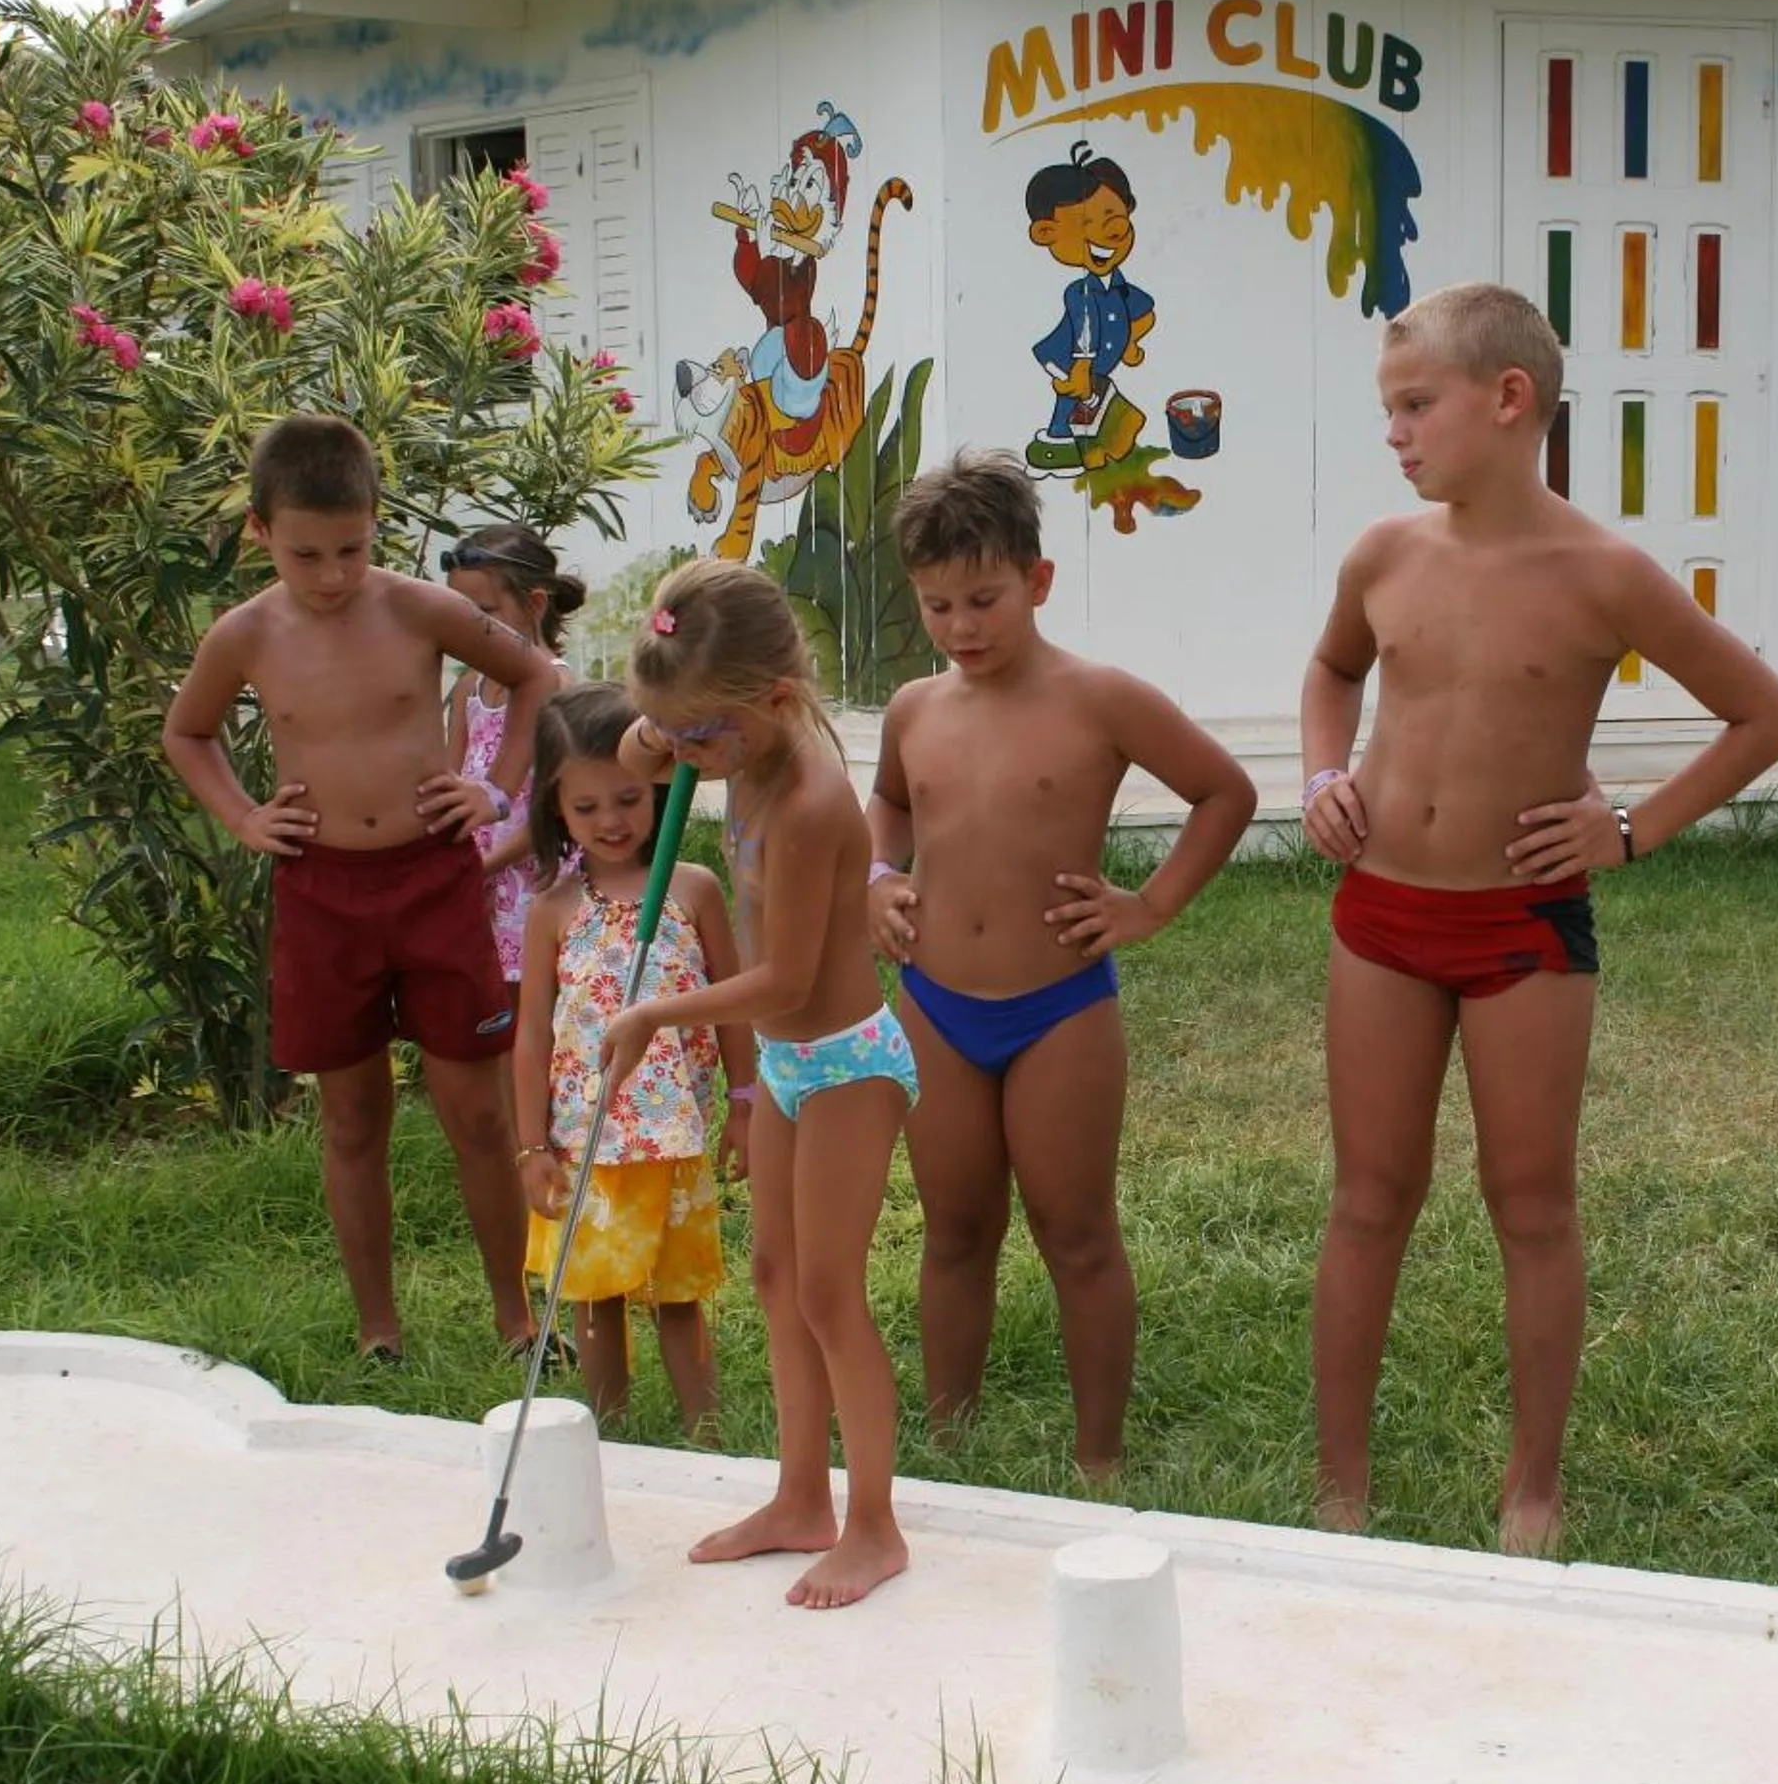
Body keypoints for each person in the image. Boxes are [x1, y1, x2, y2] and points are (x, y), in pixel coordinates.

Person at [1300, 282, 1778, 1554]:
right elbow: (1333, 669)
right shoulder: (1384, 555)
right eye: (1389, 410)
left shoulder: (1606, 576)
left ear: (1509, 399)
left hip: (1524, 930)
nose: (1396, 434)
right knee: (1369, 1197)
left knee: (1531, 1202)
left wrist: (1631, 827)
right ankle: (1340, 1481)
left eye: (1417, 405)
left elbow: (1765, 717)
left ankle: (1534, 1484)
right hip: (1381, 920)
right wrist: (1320, 773)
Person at [867, 450, 1256, 1476]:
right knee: (954, 1228)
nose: (962, 628)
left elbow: (1225, 793)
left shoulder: (1101, 700)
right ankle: (949, 1438)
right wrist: (876, 876)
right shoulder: (915, 710)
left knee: (1075, 1229)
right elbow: (894, 805)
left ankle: (1100, 1456)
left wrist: (1151, 904)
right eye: (938, 605)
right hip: (934, 1002)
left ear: (1038, 582)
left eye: (984, 599)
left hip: (1060, 1008)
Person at [163, 413, 565, 1364]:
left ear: (378, 523)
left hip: (433, 881)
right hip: (323, 891)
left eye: (353, 547)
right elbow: (188, 734)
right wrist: (243, 817)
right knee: (352, 1117)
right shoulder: (246, 633)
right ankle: (378, 1329)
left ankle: (518, 1320)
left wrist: (497, 786)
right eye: (307, 554)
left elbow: (536, 677)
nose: (334, 574)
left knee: (476, 1110)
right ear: (259, 531)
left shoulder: (420, 608)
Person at [603, 560, 917, 1608]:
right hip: (786, 1064)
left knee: (831, 1292)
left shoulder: (813, 801)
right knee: (778, 1282)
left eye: (703, 740)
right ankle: (799, 1498)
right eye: (678, 738)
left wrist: (654, 1012)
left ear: (776, 701)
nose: (683, 761)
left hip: (845, 1064)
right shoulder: (732, 741)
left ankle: (873, 1524)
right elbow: (631, 747)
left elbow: (782, 976)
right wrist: (660, 729)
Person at [514, 682, 739, 1442]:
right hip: (585, 1142)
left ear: (661, 789)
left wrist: (745, 1101)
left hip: (673, 1136)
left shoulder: (693, 891)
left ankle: (704, 1430)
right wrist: (531, 1145)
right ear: (556, 808)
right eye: (587, 808)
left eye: (628, 799)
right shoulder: (551, 911)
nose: (611, 821)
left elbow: (733, 1002)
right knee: (594, 1292)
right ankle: (605, 1432)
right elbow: (532, 1035)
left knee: (678, 1293)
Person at [442, 524, 588, 1009]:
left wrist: (486, 868)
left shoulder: (559, 692)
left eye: (484, 613)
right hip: (475, 880)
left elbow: (555, 807)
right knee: (488, 1018)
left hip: (533, 880)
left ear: (535, 605)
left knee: (536, 1016)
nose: (468, 628)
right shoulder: (468, 690)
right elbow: (452, 781)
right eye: (458, 614)